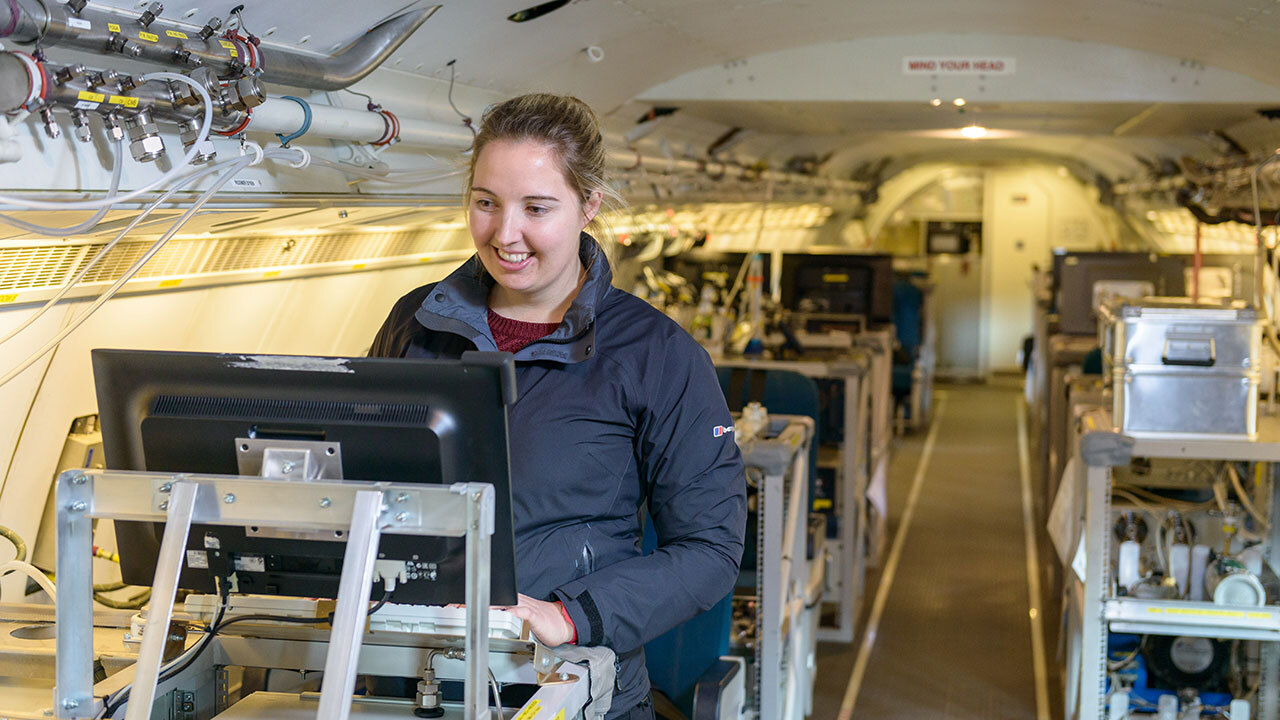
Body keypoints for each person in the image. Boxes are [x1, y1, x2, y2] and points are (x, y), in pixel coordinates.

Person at [368, 93, 746, 719]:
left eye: (536, 208)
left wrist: (568, 615)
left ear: (588, 206)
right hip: (404, 673)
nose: (504, 234)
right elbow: (367, 478)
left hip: (568, 685)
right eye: (485, 202)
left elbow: (709, 551)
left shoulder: (655, 353)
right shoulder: (415, 322)